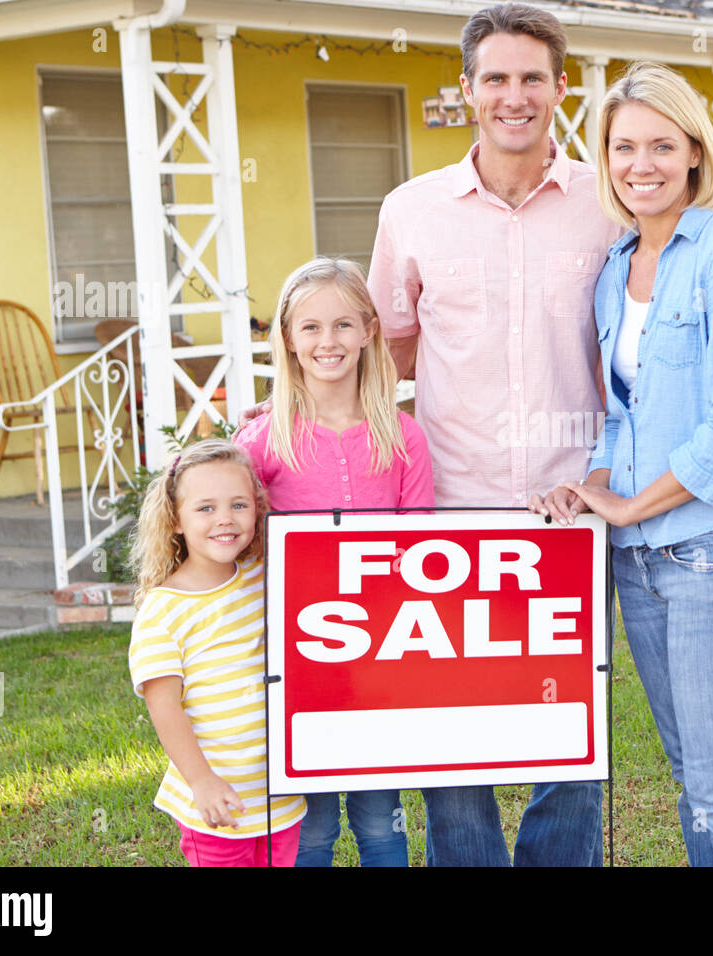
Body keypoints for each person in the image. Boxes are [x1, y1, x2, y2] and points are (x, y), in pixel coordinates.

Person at [364, 3, 621, 866]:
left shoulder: (609, 203)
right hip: (448, 511)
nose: (516, 96)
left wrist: (603, 480)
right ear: (467, 89)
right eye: (497, 79)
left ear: (559, 87)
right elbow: (385, 356)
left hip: (573, 507)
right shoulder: (412, 211)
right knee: (453, 732)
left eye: (533, 78)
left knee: (570, 736)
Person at [531, 61, 713, 866]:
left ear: (693, 155)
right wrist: (593, 486)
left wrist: (633, 507)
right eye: (622, 147)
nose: (640, 164)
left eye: (660, 145)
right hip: (639, 566)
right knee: (691, 775)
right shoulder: (616, 270)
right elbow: (621, 418)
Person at [235, 256, 434, 867]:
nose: (329, 342)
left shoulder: (404, 436)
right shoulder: (262, 440)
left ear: (371, 331)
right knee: (310, 830)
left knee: (381, 823)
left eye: (344, 325)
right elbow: (227, 543)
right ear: (289, 341)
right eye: (311, 328)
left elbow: (422, 553)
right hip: (296, 666)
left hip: (379, 661)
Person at [127, 438, 306, 866]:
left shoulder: (266, 576)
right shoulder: (163, 610)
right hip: (215, 801)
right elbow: (165, 707)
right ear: (174, 519)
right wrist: (202, 781)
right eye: (205, 508)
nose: (225, 520)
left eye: (238, 505)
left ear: (258, 509)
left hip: (278, 796)